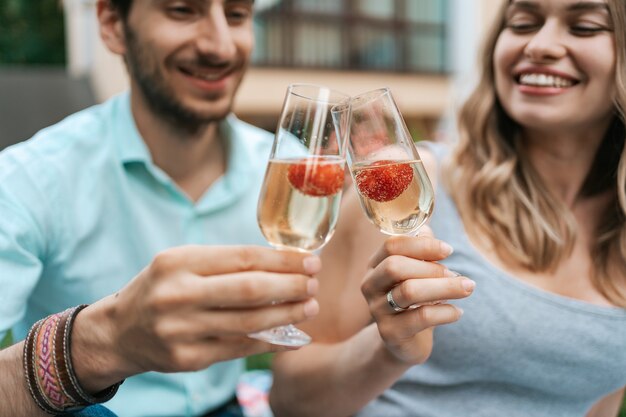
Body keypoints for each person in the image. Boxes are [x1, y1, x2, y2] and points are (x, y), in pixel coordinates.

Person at [270, 0, 626, 416]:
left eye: (584, 27)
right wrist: (390, 351)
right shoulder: (409, 187)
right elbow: (290, 401)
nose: (540, 45)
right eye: (523, 23)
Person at [0, 0, 327, 416]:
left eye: (237, 14)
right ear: (112, 23)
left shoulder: (287, 168)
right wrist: (96, 343)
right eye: (182, 10)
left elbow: (307, 362)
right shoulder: (31, 178)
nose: (221, 47)